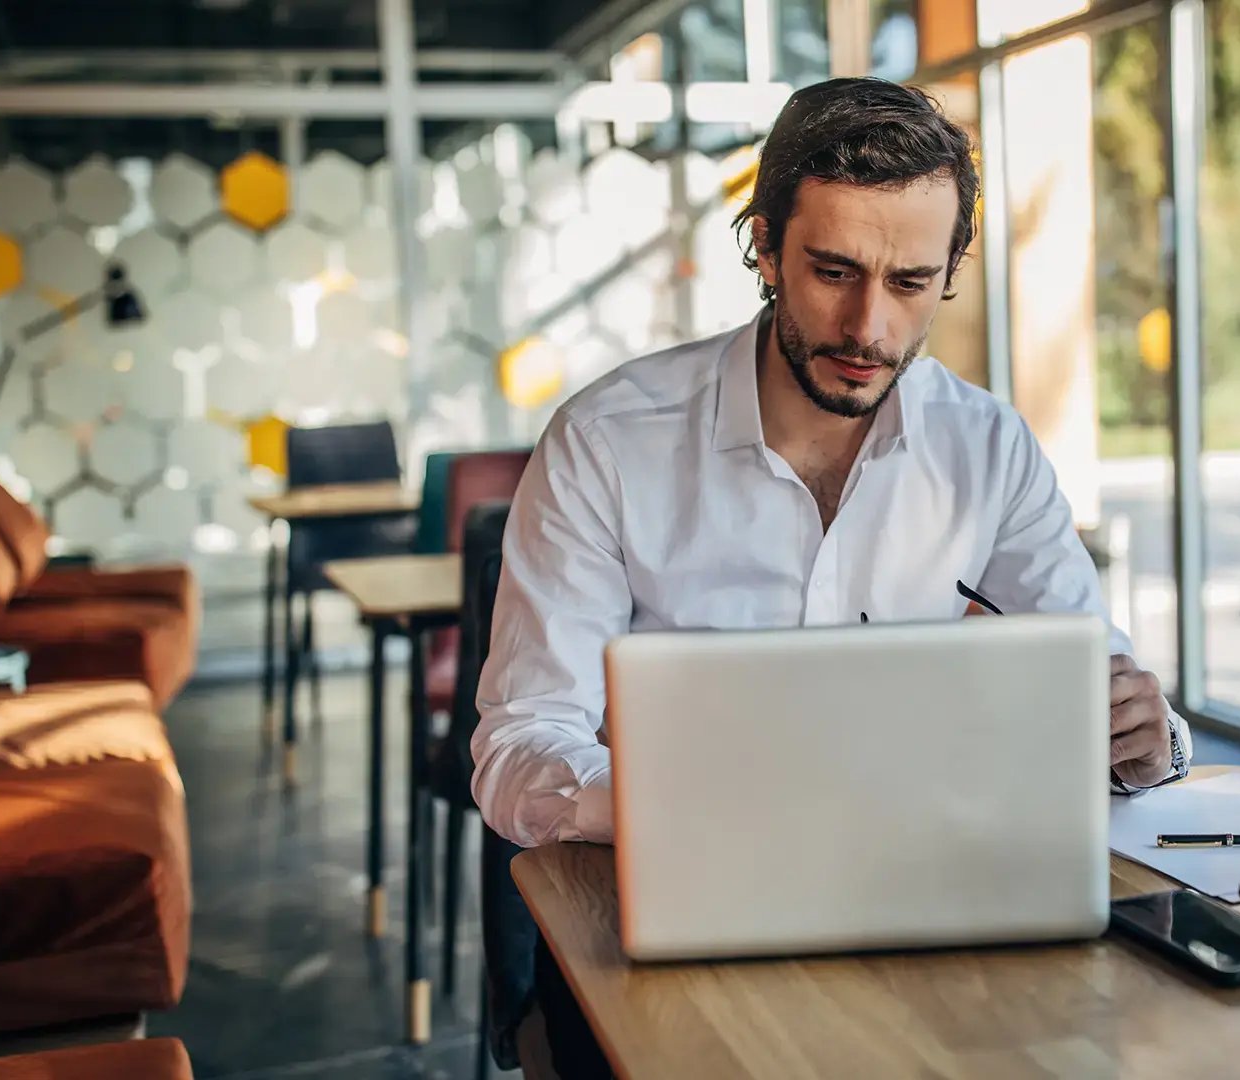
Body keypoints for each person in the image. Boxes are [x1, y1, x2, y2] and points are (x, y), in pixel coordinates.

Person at [471, 76, 1191, 1075]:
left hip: (932, 914)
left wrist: (1142, 738)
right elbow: (518, 747)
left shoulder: (987, 449)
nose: (868, 329)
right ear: (764, 248)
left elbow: (1092, 680)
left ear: (947, 273)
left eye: (909, 283)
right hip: (678, 920)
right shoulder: (607, 443)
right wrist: (678, 799)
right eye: (834, 272)